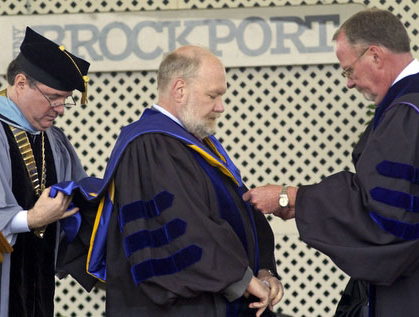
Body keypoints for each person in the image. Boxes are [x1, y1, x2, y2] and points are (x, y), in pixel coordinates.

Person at [56, 45, 283, 316]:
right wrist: (240, 279)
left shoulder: (197, 146)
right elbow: (180, 227)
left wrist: (265, 269)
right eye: (213, 95)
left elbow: (242, 212)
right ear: (179, 90)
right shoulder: (150, 145)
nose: (220, 107)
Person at [243, 8, 419, 317]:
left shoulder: (409, 112)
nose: (349, 84)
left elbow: (387, 218)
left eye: (348, 71)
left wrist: (293, 197)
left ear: (375, 56)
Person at [0, 27, 90, 316]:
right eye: (54, 97)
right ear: (21, 83)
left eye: (66, 100)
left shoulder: (53, 139)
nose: (60, 109)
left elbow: (80, 199)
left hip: (39, 288)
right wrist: (32, 219)